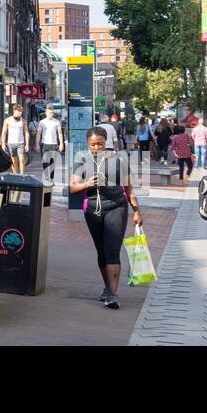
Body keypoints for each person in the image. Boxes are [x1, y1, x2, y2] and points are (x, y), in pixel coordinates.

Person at [69, 127, 142, 310]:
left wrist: (137, 211)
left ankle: (113, 294)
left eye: (100, 144)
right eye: (92, 144)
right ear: (87, 144)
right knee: (101, 250)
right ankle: (108, 288)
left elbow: (129, 188)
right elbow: (72, 187)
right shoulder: (82, 159)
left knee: (112, 249)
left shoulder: (119, 160)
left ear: (106, 142)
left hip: (117, 207)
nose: (96, 148)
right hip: (93, 209)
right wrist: (87, 183)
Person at [37, 107, 64, 182]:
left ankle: (51, 178)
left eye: (52, 113)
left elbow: (60, 133)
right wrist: (37, 144)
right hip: (44, 144)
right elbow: (39, 133)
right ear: (46, 113)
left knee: (52, 163)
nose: (51, 114)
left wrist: (61, 144)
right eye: (49, 112)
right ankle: (46, 178)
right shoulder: (42, 122)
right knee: (45, 162)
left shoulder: (57, 122)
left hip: (54, 144)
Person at [1, 106, 27, 174]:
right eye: (19, 111)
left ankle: (22, 175)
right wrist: (3, 144)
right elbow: (4, 132)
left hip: (20, 143)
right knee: (14, 161)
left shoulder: (23, 121)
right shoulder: (7, 120)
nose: (21, 113)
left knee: (22, 159)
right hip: (11, 143)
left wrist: (27, 144)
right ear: (14, 111)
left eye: (21, 111)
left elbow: (26, 133)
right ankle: (15, 175)